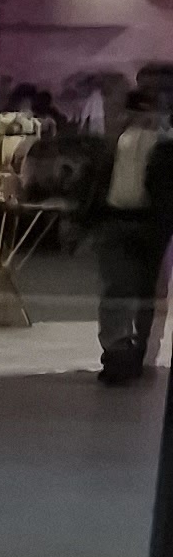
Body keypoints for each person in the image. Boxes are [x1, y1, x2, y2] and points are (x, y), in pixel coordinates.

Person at [84, 64, 173, 383]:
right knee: (117, 290)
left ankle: (136, 352)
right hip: (118, 219)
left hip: (150, 224)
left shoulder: (165, 143)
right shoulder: (117, 139)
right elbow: (99, 179)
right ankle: (117, 353)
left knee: (145, 292)